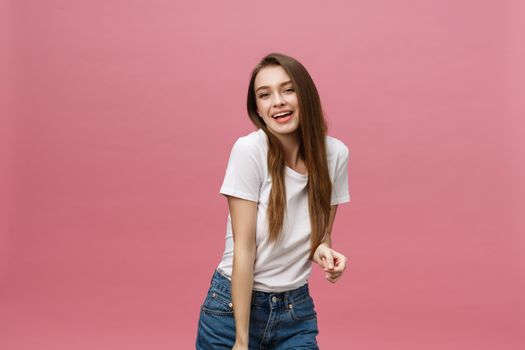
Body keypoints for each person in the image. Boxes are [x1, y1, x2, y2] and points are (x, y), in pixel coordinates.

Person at [195, 52, 351, 350]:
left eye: (288, 89)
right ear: (258, 109)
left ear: (305, 95)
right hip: (231, 310)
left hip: (295, 311)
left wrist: (327, 255)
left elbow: (321, 236)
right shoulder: (250, 150)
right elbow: (244, 248)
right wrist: (241, 341)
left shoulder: (335, 155)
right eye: (264, 95)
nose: (277, 101)